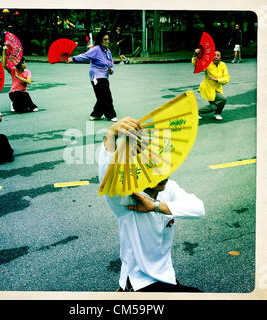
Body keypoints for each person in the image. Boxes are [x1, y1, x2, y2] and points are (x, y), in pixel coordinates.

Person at [98, 117, 205, 292]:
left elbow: (198, 209)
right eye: (152, 167)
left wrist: (156, 206)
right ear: (139, 169)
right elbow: (107, 177)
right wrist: (111, 135)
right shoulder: (125, 199)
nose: (163, 174)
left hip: (166, 276)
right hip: (139, 281)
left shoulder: (169, 187)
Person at [67, 31, 118, 122]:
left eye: (108, 39)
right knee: (106, 95)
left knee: (102, 96)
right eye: (105, 39)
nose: (107, 41)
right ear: (100, 40)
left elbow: (111, 64)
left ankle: (95, 115)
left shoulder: (108, 51)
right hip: (95, 76)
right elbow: (85, 56)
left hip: (104, 75)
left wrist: (111, 70)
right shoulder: (96, 49)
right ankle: (111, 115)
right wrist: (73, 58)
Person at [192, 49, 230, 121]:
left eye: (218, 55)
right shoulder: (208, 64)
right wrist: (195, 55)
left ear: (220, 58)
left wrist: (216, 79)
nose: (215, 57)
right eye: (214, 55)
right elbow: (197, 65)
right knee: (223, 99)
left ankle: (196, 112)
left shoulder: (223, 65)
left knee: (214, 107)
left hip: (217, 89)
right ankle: (218, 113)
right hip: (207, 88)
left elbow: (226, 78)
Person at [2, 46, 38, 113]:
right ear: (19, 64)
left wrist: (18, 77)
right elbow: (4, 65)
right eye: (23, 63)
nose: (25, 64)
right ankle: (13, 104)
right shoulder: (13, 70)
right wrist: (4, 51)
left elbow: (29, 82)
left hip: (24, 93)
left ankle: (28, 105)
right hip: (14, 93)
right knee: (20, 110)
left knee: (31, 108)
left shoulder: (27, 71)